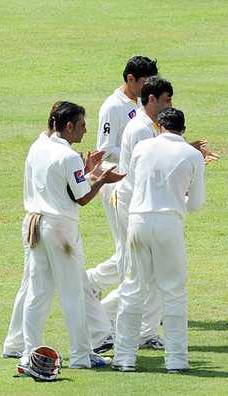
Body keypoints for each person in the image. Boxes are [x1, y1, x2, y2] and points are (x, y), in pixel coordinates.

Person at [2, 104, 113, 358]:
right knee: (73, 293)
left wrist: (85, 172)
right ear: (69, 126)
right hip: (60, 229)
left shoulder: (37, 147)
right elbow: (82, 197)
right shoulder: (69, 156)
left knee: (37, 292)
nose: (86, 131)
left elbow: (58, 183)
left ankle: (29, 351)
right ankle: (81, 356)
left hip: (34, 224)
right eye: (82, 125)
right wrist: (101, 179)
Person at [113, 108, 205, 373]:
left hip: (138, 221)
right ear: (182, 130)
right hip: (168, 223)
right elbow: (196, 203)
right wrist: (178, 198)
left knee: (132, 289)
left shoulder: (143, 147)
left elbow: (130, 184)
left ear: (160, 126)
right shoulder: (192, 154)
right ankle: (176, 360)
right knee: (173, 291)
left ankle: (124, 358)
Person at [105, 76, 175, 349]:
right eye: (167, 99)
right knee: (141, 272)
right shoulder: (140, 129)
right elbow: (146, 171)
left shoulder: (151, 126)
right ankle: (100, 316)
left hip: (142, 203)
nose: (170, 105)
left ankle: (145, 331)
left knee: (150, 272)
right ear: (151, 99)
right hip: (135, 204)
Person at [87, 56, 158, 296]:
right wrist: (138, 152)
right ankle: (110, 294)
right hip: (113, 182)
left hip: (134, 180)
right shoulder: (113, 106)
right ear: (130, 79)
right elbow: (104, 149)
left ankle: (92, 284)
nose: (149, 88)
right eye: (145, 82)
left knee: (132, 247)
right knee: (126, 246)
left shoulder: (141, 102)